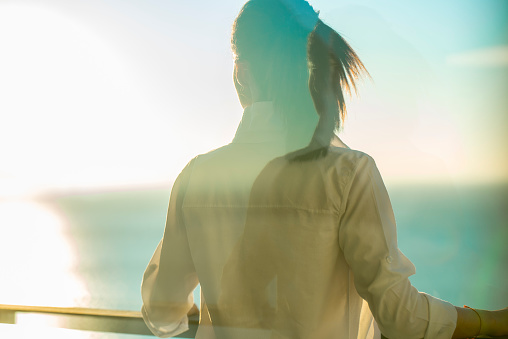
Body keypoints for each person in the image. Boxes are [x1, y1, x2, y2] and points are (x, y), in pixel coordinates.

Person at [141, 0, 508, 338]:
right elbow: (401, 316)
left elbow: (160, 312)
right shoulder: (348, 173)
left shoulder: (197, 177)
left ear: (241, 72)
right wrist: (490, 322)